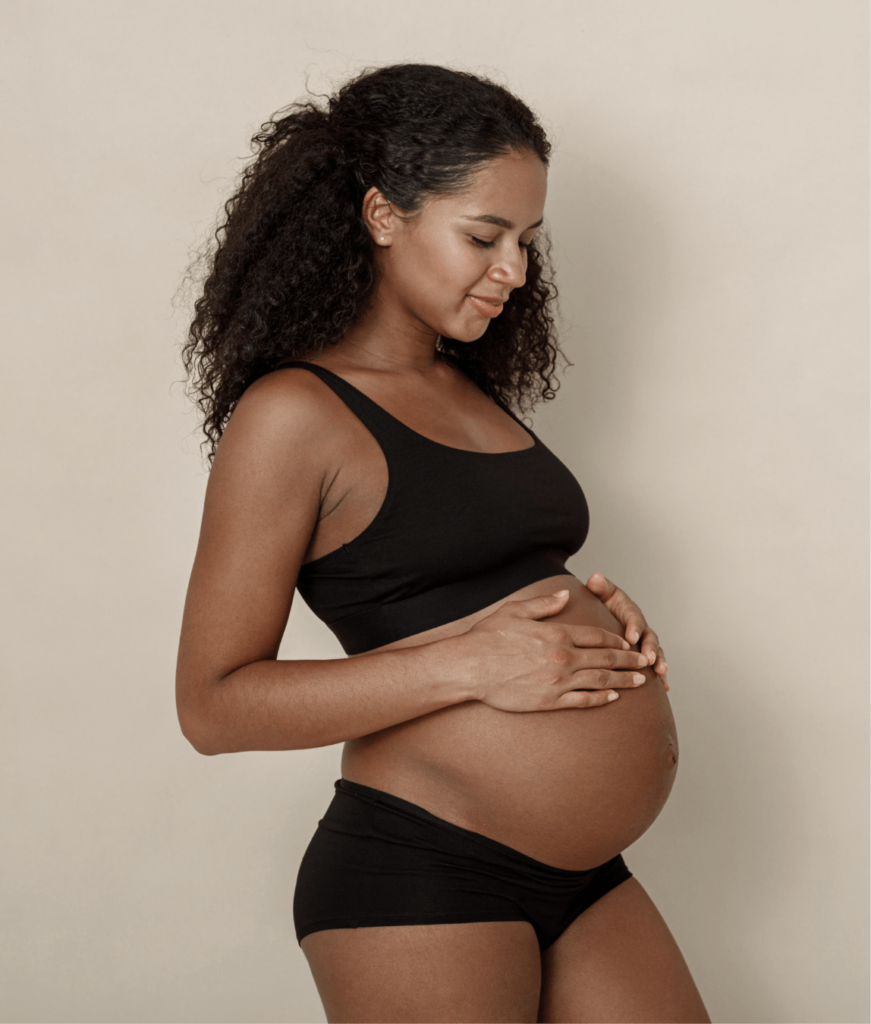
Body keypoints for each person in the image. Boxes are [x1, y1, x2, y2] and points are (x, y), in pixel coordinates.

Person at [176, 63, 710, 1023]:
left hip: (585, 876)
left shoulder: (465, 387)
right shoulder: (292, 414)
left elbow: (470, 576)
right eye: (483, 236)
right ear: (383, 216)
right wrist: (477, 665)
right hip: (423, 876)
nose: (513, 269)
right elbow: (213, 707)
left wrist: (594, 629)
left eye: (525, 242)